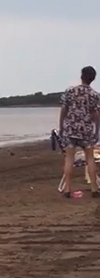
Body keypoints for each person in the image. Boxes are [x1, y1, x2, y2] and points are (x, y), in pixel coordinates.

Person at [59, 66, 100, 198]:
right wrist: (96, 130)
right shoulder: (94, 95)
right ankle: (94, 188)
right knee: (90, 159)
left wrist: (61, 127)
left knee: (69, 159)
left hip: (71, 129)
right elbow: (95, 114)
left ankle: (67, 188)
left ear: (81, 76)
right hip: (86, 131)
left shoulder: (70, 91)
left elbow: (64, 110)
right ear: (93, 79)